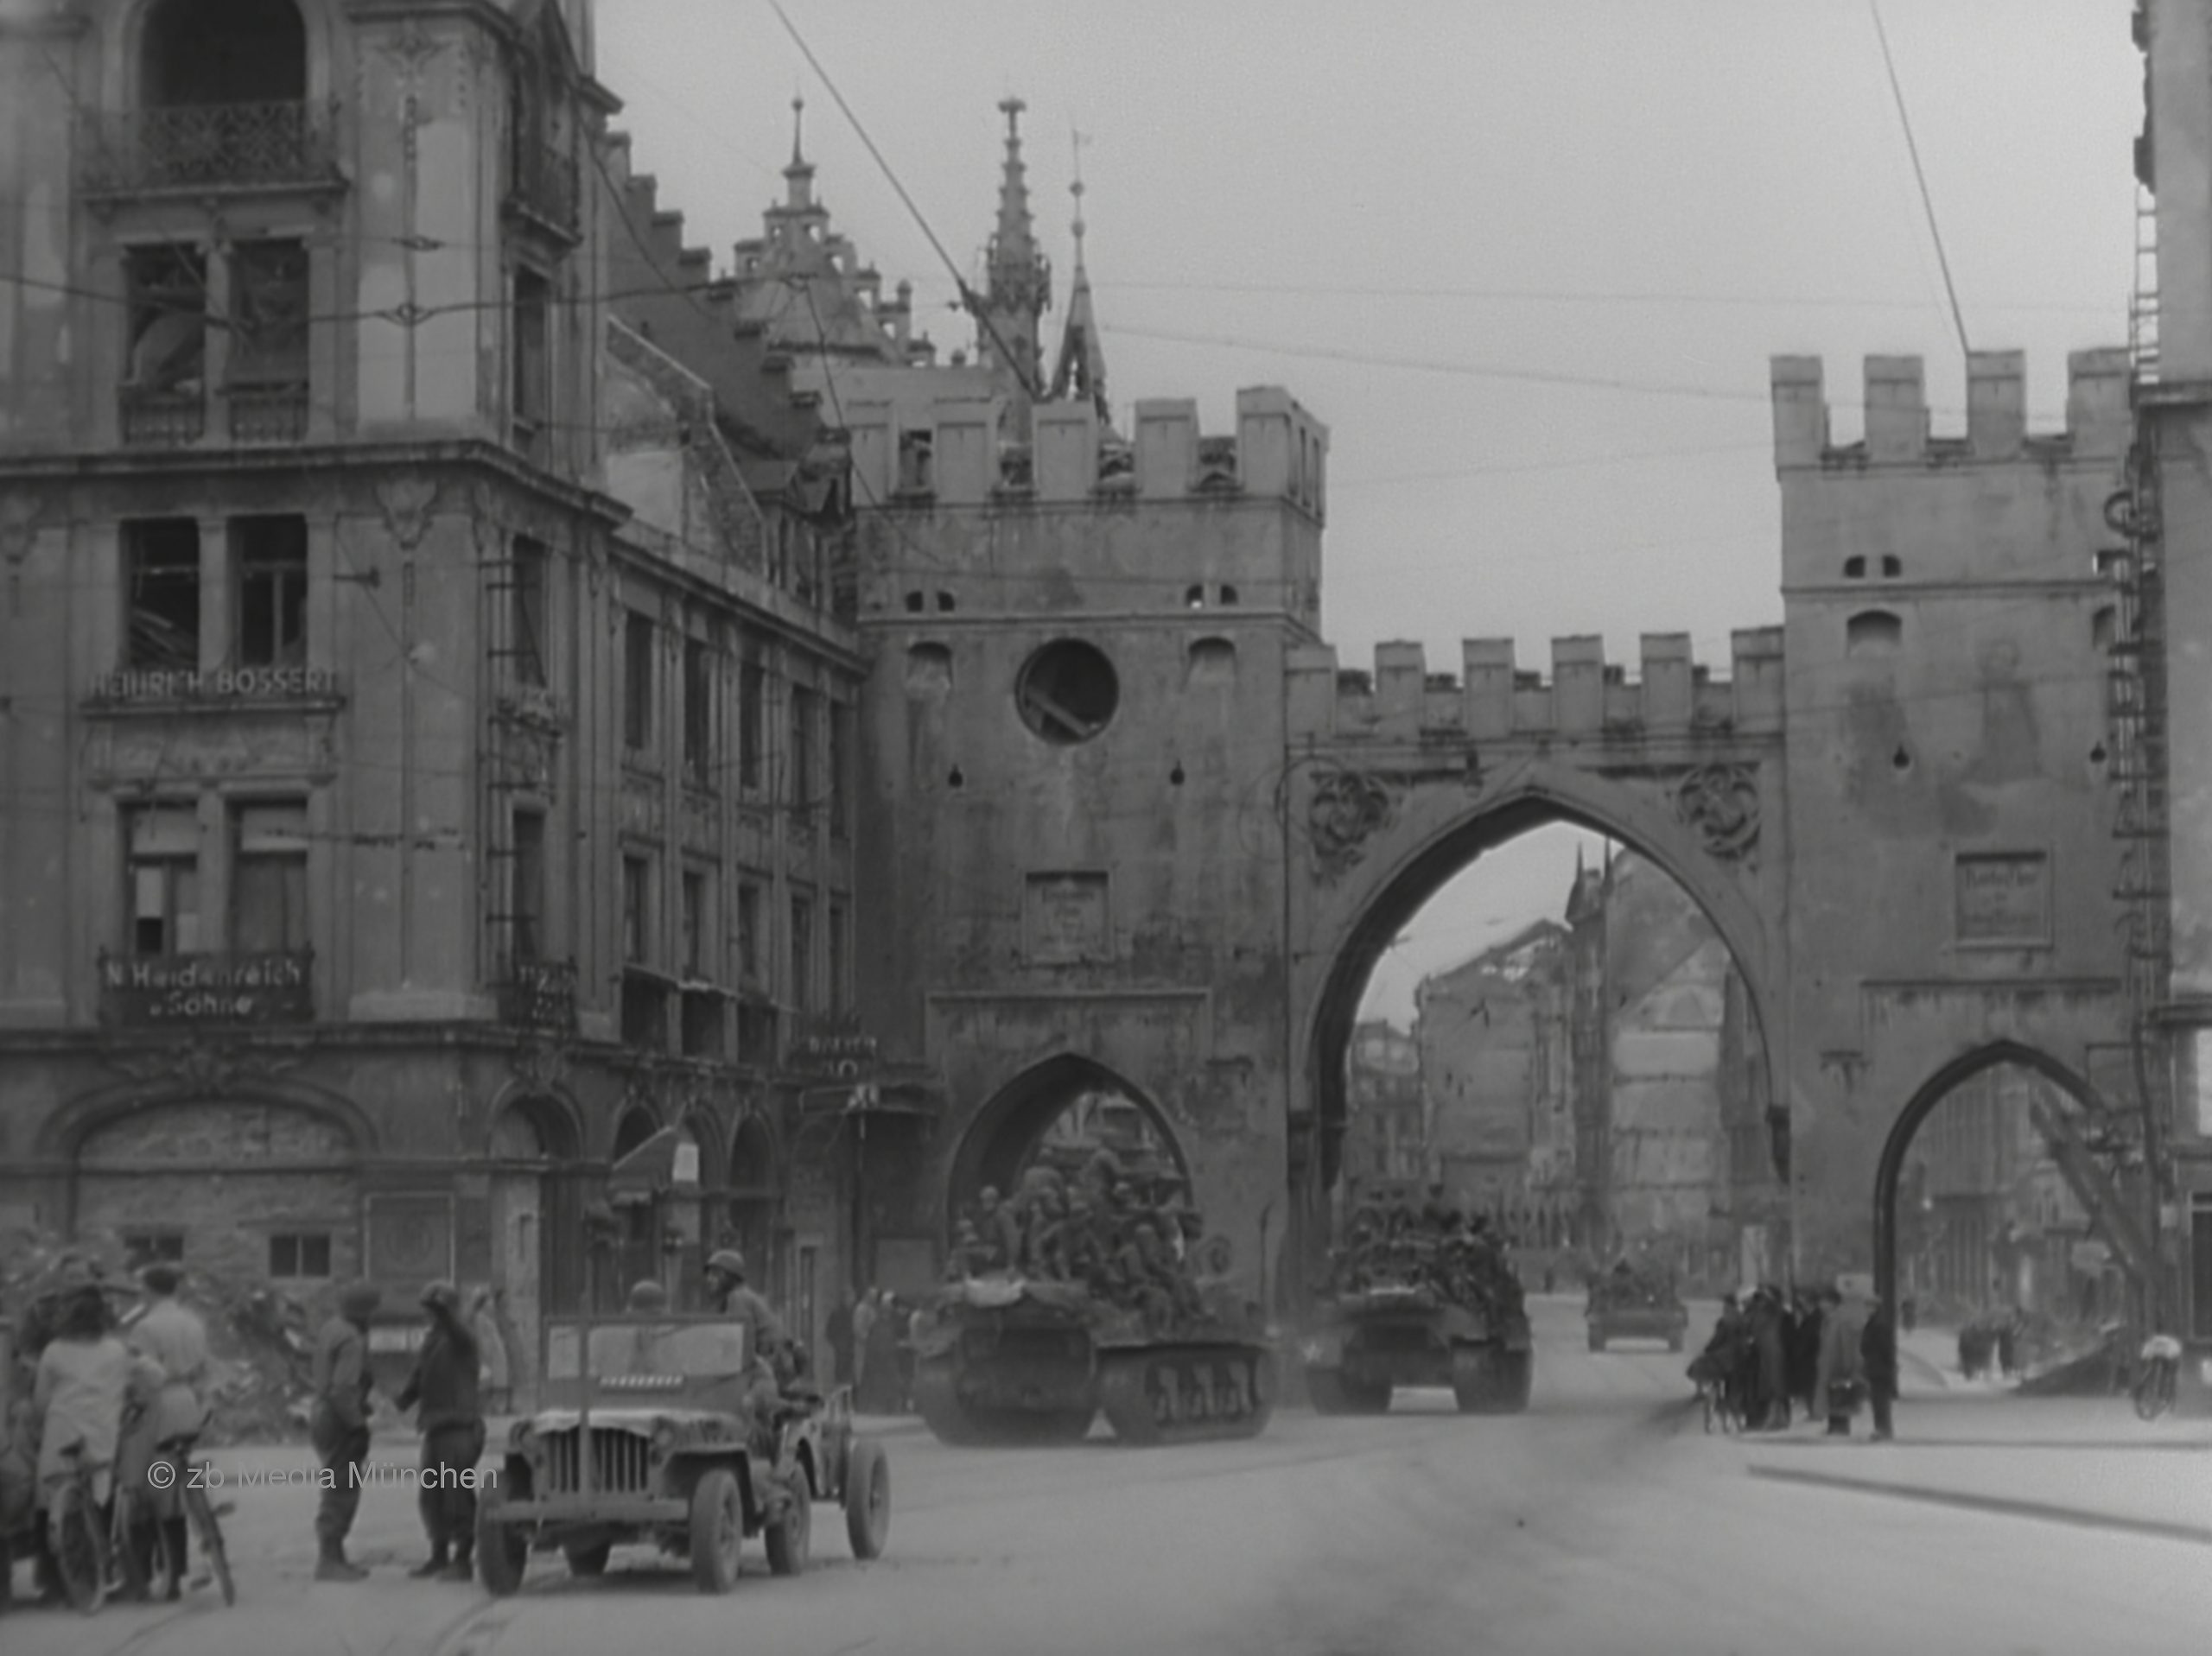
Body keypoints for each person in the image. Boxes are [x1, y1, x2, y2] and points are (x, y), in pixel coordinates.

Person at [34, 1285, 160, 1569]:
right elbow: (156, 1376)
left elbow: (41, 1400)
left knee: (53, 1496)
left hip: (61, 1430)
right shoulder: (116, 1350)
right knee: (100, 1490)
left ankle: (56, 1577)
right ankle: (100, 1564)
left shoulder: (53, 1351)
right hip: (101, 1431)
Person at [123, 1264, 209, 1599]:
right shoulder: (193, 1322)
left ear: (150, 1290)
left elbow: (140, 1373)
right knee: (174, 1485)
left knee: (145, 1486)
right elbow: (203, 1366)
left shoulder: (145, 1327)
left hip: (159, 1403)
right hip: (188, 1399)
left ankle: (145, 1570)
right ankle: (177, 1567)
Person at [395, 1280, 483, 1580]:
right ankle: (439, 1554)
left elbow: (455, 1328)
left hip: (460, 1427)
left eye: (434, 1311)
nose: (429, 1316)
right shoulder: (433, 1340)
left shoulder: (462, 1339)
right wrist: (402, 1401)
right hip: (435, 1428)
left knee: (456, 1494)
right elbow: (419, 1376)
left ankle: (462, 1559)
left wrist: (444, 1309)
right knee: (432, 1496)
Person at [310, 1282, 380, 1581]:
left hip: (322, 1413)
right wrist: (357, 1426)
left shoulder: (331, 1328)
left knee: (336, 1481)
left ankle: (335, 1556)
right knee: (342, 1487)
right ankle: (329, 1559)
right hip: (339, 1419)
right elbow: (342, 1389)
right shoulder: (352, 1339)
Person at [702, 1249, 786, 1430]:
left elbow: (735, 1342)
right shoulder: (742, 1296)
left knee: (738, 1407)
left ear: (731, 1277)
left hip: (762, 1369)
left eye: (716, 1274)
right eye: (709, 1274)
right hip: (766, 1364)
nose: (709, 1279)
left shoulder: (737, 1298)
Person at [1814, 1284, 1871, 1437]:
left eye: (1823, 1301)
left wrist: (1847, 1368)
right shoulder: (1828, 1320)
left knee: (1840, 1396)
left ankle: (1840, 1426)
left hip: (1837, 1365)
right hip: (1828, 1364)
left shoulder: (1841, 1321)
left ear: (1832, 1303)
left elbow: (1847, 1346)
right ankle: (1833, 1425)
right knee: (1831, 1396)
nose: (1821, 1305)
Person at [1861, 1299, 1898, 1442]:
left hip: (1880, 1369)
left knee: (1880, 1401)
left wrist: (1888, 1366)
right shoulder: (1873, 1324)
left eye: (1869, 1306)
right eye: (1866, 1306)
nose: (1866, 1309)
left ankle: (1884, 1429)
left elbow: (1885, 1349)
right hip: (1876, 1368)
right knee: (1878, 1401)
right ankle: (1881, 1428)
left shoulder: (1878, 1326)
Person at [471, 1287, 512, 1415]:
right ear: (483, 1303)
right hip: (491, 1360)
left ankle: (495, 1409)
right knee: (489, 1385)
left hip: (495, 1358)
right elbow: (483, 1340)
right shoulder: (480, 1318)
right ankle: (489, 1410)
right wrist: (488, 1357)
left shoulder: (488, 1319)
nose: (491, 1303)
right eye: (488, 1301)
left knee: (497, 1385)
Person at [826, 1292, 856, 1388]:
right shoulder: (837, 1314)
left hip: (850, 1347)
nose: (851, 1300)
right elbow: (829, 1332)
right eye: (850, 1298)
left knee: (849, 1373)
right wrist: (837, 1343)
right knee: (842, 1374)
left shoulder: (852, 1313)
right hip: (842, 1348)